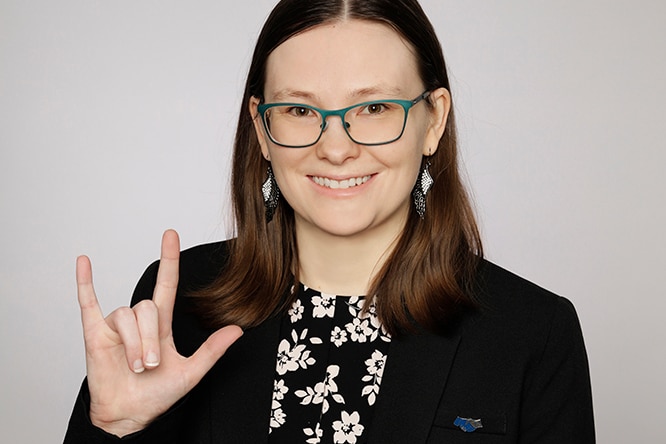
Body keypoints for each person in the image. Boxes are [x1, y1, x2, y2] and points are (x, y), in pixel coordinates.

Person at [64, 0, 595, 442]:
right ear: (261, 128)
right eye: (299, 111)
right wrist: (113, 428)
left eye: (374, 108)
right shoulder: (180, 303)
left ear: (432, 120)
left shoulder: (532, 332)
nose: (335, 148)